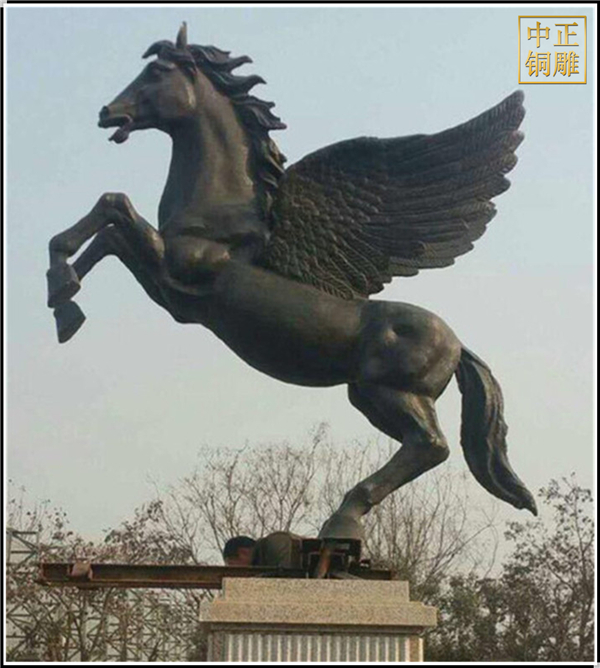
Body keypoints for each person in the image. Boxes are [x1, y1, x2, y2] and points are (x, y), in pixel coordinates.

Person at [222, 532, 303, 569]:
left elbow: (289, 577)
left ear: (243, 553)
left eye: (232, 564)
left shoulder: (276, 545)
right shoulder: (263, 556)